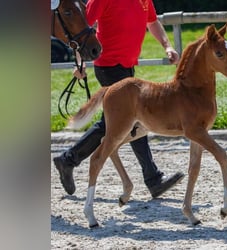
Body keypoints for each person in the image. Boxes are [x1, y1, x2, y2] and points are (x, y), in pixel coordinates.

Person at [54, 0, 185, 198]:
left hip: (127, 66)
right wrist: (80, 62)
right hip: (108, 65)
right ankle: (153, 180)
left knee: (118, 122)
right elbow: (80, 27)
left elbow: (152, 22)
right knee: (131, 119)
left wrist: (167, 46)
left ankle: (68, 160)